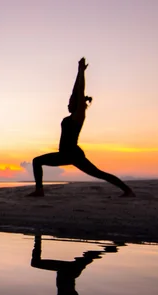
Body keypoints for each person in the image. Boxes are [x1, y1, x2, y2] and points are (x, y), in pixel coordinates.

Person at [27, 58, 135, 197]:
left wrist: (82, 72)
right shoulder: (73, 115)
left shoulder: (79, 115)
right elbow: (75, 90)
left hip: (72, 154)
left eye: (70, 101)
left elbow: (80, 90)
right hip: (65, 154)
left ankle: (127, 190)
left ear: (77, 103)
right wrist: (78, 72)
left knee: (99, 174)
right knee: (37, 161)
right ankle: (39, 190)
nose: (68, 104)